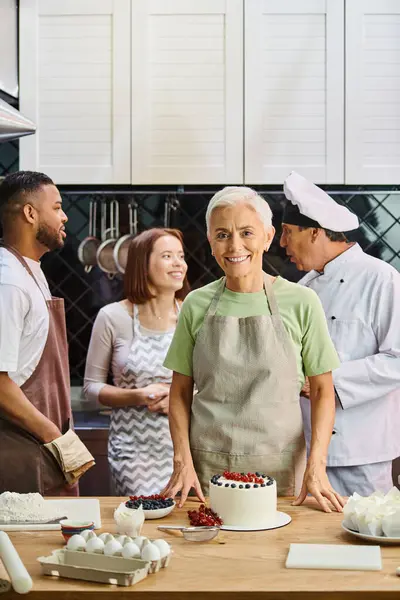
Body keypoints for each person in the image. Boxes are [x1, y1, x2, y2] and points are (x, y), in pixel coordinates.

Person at [162, 186, 346, 513]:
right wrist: (182, 461)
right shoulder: (195, 304)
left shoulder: (302, 302)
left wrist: (317, 465)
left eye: (247, 232)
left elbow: (322, 391)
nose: (235, 246)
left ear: (268, 236)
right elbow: (178, 392)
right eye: (222, 234)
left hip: (283, 468)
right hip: (208, 468)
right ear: (210, 241)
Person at [280, 171, 400, 496]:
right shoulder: (301, 289)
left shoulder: (382, 279)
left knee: (366, 533)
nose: (281, 244)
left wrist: (325, 380)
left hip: (363, 451)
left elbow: (397, 361)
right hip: (305, 449)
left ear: (316, 232)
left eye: (288, 233)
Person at [83, 228, 189, 496]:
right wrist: (140, 395)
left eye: (181, 255)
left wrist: (181, 398)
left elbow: (212, 384)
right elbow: (91, 389)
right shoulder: (112, 317)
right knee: (141, 527)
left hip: (187, 448)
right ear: (143, 265)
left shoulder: (193, 315)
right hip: (133, 454)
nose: (179, 263)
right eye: (168, 256)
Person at [0, 170, 77, 495]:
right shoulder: (9, 283)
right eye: (57, 207)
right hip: (21, 450)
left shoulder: (28, 271)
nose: (65, 216)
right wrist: (53, 435)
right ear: (30, 213)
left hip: (41, 446)